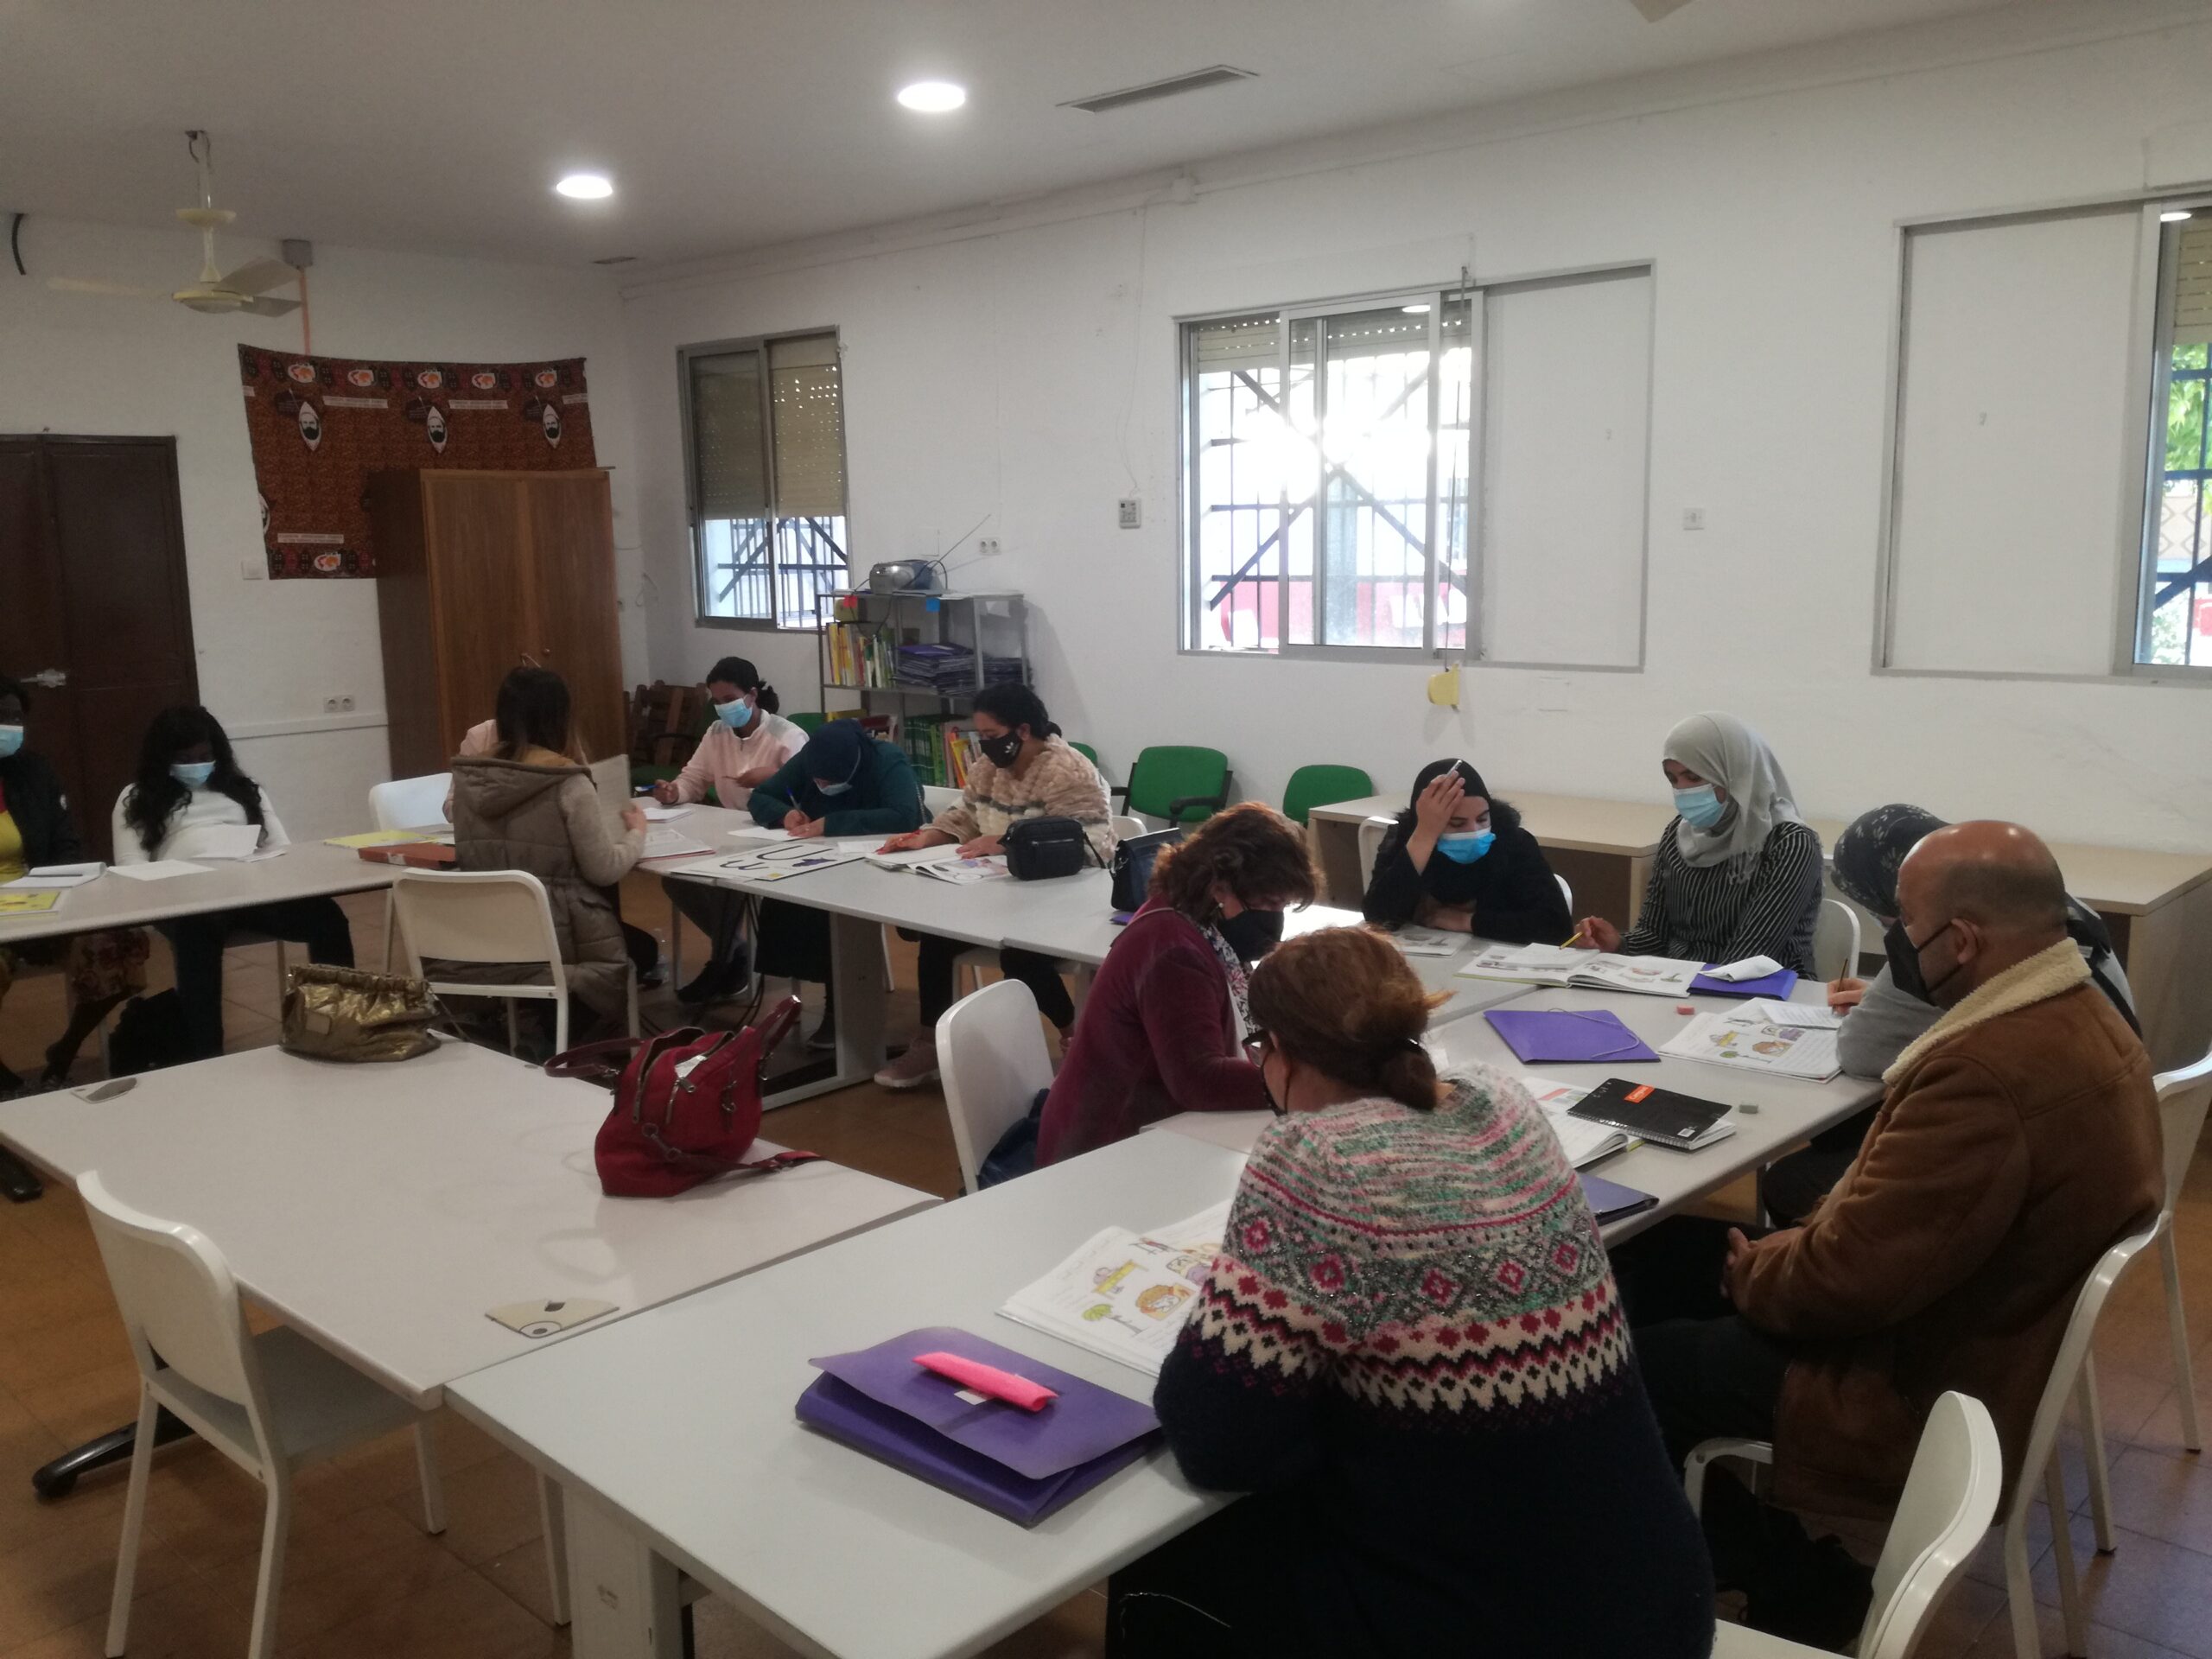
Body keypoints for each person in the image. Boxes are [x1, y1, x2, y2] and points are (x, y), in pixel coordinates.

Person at [1625, 822, 2161, 1644]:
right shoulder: (2075, 1010)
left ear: (1963, 940)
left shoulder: (1986, 1074)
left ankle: (1798, 1581)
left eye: (1903, 924)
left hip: (1916, 1380)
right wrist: (1777, 1254)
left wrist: (1755, 1269)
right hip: (1982, 1327)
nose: (1895, 945)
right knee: (1665, 1255)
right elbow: (1887, 1235)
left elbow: (1842, 1282)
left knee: (1629, 1377)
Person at [1111, 927, 1713, 1658]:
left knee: (1166, 1562)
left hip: (1502, 1629)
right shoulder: (1504, 1105)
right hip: (1657, 1605)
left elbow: (1216, 1440)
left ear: (1280, 1053)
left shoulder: (1316, 1159)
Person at [1760, 802, 2144, 1224]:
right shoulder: (2048, 912)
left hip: (2039, 1169)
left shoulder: (1941, 949)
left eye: (1904, 910)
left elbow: (1860, 1052)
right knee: (1842, 1131)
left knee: (1794, 1177)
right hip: (2100, 1140)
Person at [1036, 803, 1318, 1166]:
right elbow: (1200, 1079)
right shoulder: (1173, 950)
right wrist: (1309, 1081)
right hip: (1102, 1151)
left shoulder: (1189, 919)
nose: (1274, 919)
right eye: (1267, 902)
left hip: (1143, 1127)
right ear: (1219, 887)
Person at [870, 684, 1116, 1089]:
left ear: (1023, 730)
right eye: (981, 736)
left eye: (991, 735)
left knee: (1019, 953)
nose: (985, 746)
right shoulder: (989, 768)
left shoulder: (1067, 770)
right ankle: (930, 1043)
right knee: (936, 936)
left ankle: (1074, 1034)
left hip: (1061, 895)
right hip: (998, 890)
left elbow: (1087, 843)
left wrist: (1005, 842)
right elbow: (965, 815)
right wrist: (927, 837)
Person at [114, 705, 354, 1059]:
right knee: (196, 935)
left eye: (204, 757)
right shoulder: (136, 798)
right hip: (184, 901)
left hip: (249, 892)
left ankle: (335, 1024)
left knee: (327, 917)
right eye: (184, 759)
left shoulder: (243, 790)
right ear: (163, 758)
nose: (196, 765)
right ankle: (206, 1054)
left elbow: (281, 849)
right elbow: (130, 867)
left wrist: (259, 869)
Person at [448, 667, 646, 1034]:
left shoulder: (469, 778)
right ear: (560, 718)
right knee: (639, 949)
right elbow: (604, 869)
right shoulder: (567, 782)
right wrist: (636, 834)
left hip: (488, 931)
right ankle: (568, 1035)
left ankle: (536, 1023)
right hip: (556, 935)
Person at [1573, 712, 1823, 976]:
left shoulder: (1790, 843)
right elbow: (1655, 934)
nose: (1682, 790)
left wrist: (1680, 985)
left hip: (1761, 989)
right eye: (1673, 779)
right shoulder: (1678, 834)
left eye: (1693, 778)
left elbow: (1750, 957)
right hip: (1680, 983)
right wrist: (1618, 944)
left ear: (1733, 773)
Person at [0, 674, 149, 1096]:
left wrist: (59, 894)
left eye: (15, 717)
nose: (9, 726)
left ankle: (65, 1049)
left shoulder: (34, 772)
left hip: (41, 903)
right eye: (0, 716)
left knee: (119, 942)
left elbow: (66, 845)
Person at [744, 719, 925, 1049]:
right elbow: (761, 796)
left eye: (830, 780)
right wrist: (785, 814)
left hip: (882, 863)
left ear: (852, 764)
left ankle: (840, 1007)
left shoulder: (887, 759)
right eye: (818, 780)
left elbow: (905, 815)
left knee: (830, 909)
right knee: (788, 896)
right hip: (826, 860)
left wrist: (833, 823)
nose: (823, 785)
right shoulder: (811, 757)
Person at [653, 658, 806, 1005]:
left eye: (730, 699)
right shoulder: (717, 733)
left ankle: (722, 962)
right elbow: (694, 778)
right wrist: (674, 792)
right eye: (717, 702)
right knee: (676, 879)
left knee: (726, 885)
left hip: (780, 834)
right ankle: (734, 951)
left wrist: (774, 775)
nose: (723, 708)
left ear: (751, 695)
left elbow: (809, 787)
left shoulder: (787, 735)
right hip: (732, 831)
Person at [1361, 757, 1571, 944]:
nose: (1474, 831)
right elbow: (1378, 918)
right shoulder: (1409, 840)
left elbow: (1556, 927)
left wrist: (1468, 921)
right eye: (1457, 824)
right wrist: (1424, 836)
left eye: (1482, 819)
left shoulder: (1514, 842)